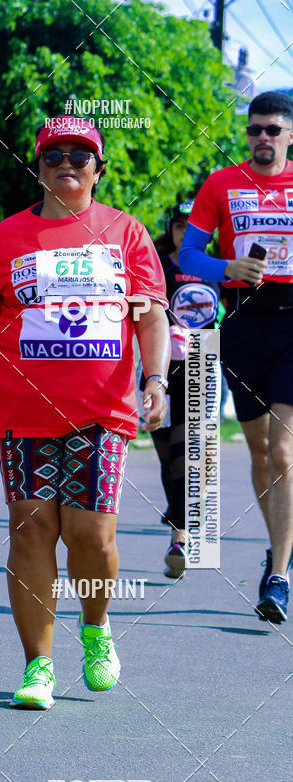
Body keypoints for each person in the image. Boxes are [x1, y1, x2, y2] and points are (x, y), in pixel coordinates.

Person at [0, 116, 170, 709]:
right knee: (31, 529)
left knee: (90, 534)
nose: (67, 163)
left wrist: (156, 377)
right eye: (54, 155)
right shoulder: (7, 239)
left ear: (98, 169)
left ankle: (95, 627)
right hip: (23, 414)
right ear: (37, 167)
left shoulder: (125, 232)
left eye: (81, 155)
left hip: (103, 411)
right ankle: (39, 666)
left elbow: (152, 314)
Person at [180, 91, 293, 624]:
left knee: (283, 454)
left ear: (289, 135)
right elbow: (187, 256)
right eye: (255, 130)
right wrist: (228, 268)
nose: (263, 138)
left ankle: (278, 577)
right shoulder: (222, 183)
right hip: (245, 321)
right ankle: (279, 543)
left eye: (273, 129)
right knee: (257, 452)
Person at [146, 200, 220, 577]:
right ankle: (182, 517)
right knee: (165, 457)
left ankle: (180, 538)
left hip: (201, 365)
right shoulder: (158, 266)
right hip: (160, 368)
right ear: (171, 230)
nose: (186, 233)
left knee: (183, 455)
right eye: (179, 226)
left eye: (194, 227)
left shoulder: (219, 267)